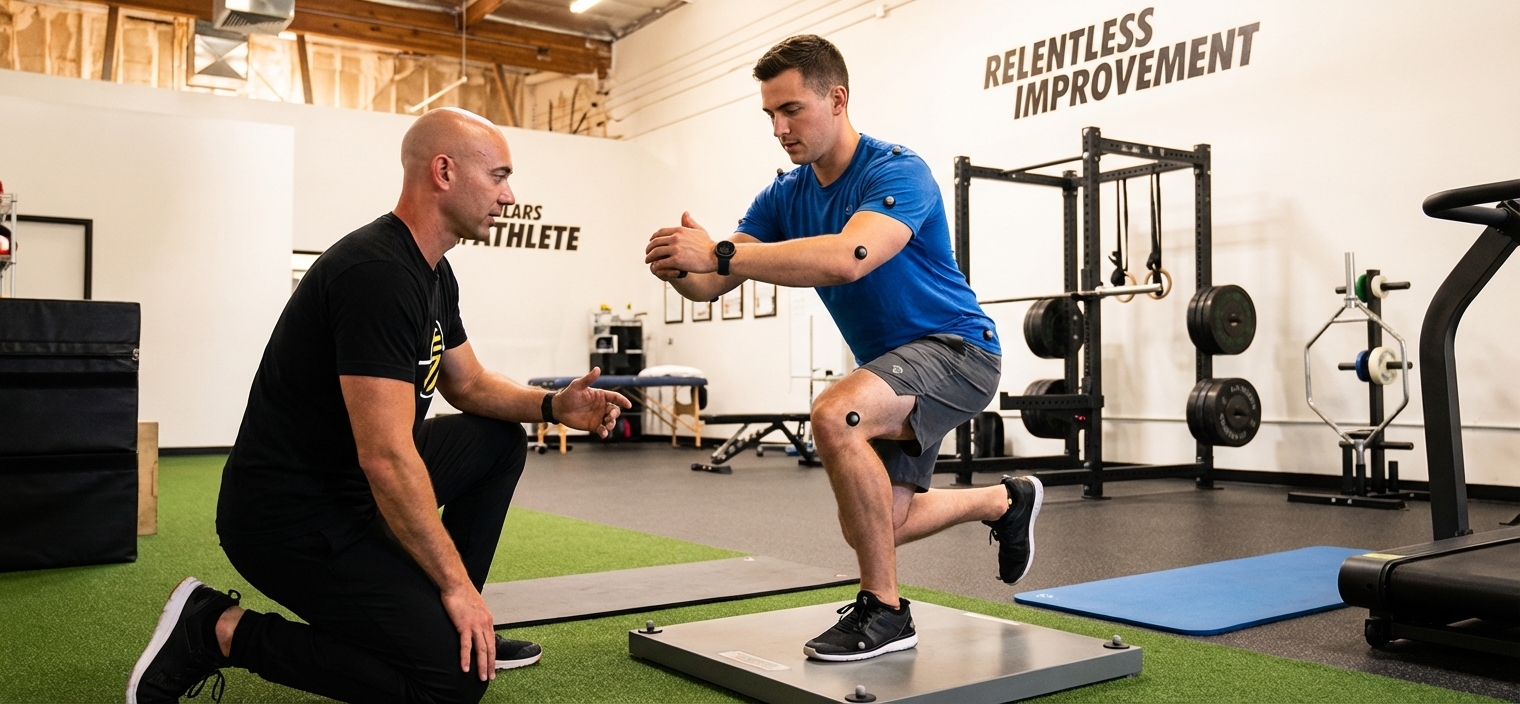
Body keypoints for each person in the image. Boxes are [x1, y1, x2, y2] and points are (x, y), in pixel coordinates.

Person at [127, 108, 631, 703]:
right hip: (289, 519)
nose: (509, 194)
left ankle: (450, 629)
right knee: (453, 683)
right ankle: (216, 630)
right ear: (443, 172)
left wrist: (552, 405)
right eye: (498, 176)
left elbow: (465, 385)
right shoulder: (378, 275)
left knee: (496, 440)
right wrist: (457, 587)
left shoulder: (434, 274)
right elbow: (387, 457)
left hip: (351, 496)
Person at [645, 35, 1042, 662]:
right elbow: (712, 284)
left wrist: (718, 251)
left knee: (835, 413)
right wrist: (679, 264)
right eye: (770, 114)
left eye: (791, 110)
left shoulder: (895, 170)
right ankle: (1004, 500)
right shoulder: (785, 196)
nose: (778, 128)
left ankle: (885, 612)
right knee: (875, 523)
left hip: (958, 351)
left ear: (837, 99)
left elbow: (851, 257)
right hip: (892, 370)